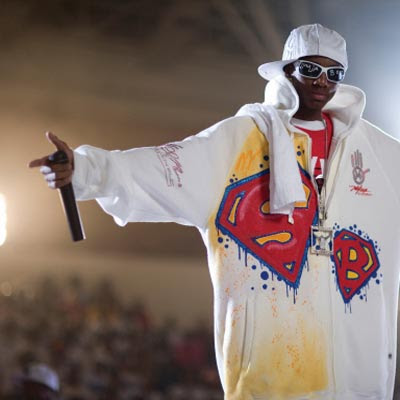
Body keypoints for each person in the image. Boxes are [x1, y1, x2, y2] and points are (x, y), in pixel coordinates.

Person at [29, 23, 400, 400]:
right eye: (311, 69)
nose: (322, 81)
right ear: (287, 70)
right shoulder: (241, 141)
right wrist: (85, 169)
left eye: (334, 73)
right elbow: (163, 168)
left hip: (360, 388)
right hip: (268, 387)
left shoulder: (379, 155)